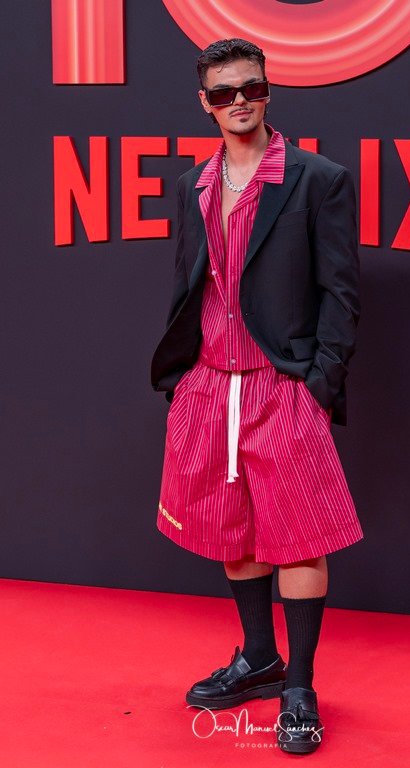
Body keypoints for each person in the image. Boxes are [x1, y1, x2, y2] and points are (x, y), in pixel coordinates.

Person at [150, 37, 364, 754]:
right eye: (224, 93)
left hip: (284, 386)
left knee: (299, 539)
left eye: (251, 88)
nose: (238, 101)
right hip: (211, 385)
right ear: (205, 104)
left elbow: (341, 292)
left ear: (268, 91)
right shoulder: (193, 186)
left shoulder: (317, 179)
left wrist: (318, 384)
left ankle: (298, 686)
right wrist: (183, 379)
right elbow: (191, 285)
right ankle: (259, 659)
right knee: (233, 531)